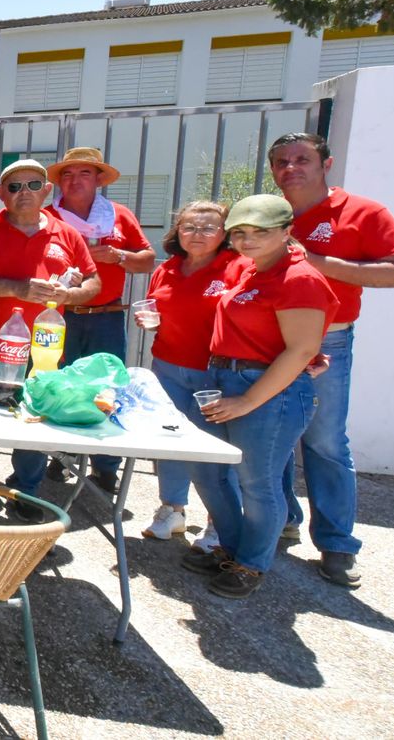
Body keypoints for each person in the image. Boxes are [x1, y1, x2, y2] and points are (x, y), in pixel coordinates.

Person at [270, 131, 394, 588]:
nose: (291, 168)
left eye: (302, 159)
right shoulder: (270, 214)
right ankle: (281, 520)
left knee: (325, 442)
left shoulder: (363, 212)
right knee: (271, 434)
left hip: (327, 340)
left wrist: (316, 261)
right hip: (266, 339)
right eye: (282, 161)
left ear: (325, 164)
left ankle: (336, 544)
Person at [187, 194, 336, 599]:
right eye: (239, 232)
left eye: (260, 232)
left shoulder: (299, 277)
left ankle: (250, 564)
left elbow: (302, 349)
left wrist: (248, 400)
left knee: (258, 482)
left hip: (268, 391)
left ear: (287, 232)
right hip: (227, 380)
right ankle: (233, 548)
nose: (247, 240)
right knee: (207, 470)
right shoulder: (253, 271)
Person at [0, 160, 100, 521]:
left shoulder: (66, 234)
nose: (24, 193)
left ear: (47, 191)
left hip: (44, 351)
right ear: (2, 194)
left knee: (35, 421)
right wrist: (17, 288)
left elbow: (93, 282)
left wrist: (69, 295)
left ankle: (26, 491)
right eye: (14, 187)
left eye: (32, 185)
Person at [46, 147, 156, 493]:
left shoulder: (118, 215)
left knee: (108, 387)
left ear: (98, 179)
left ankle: (106, 465)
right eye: (67, 174)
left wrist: (118, 256)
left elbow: (147, 260)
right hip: (62, 315)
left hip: (106, 315)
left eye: (84, 173)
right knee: (61, 386)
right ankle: (61, 454)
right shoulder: (48, 216)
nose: (75, 181)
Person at [137, 201, 241, 545]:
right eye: (189, 227)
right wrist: (151, 322)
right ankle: (172, 509)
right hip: (168, 366)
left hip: (215, 373)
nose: (198, 234)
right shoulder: (167, 268)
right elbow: (159, 313)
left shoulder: (239, 267)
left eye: (208, 228)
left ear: (224, 234)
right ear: (177, 231)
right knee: (170, 441)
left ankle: (218, 523)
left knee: (214, 450)